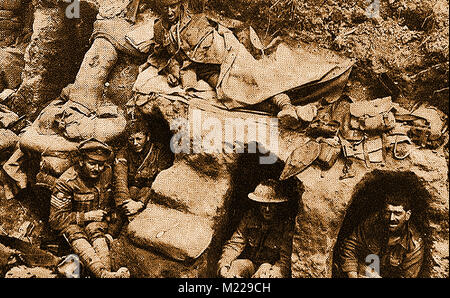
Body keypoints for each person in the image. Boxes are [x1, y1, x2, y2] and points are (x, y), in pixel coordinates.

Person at [148, 0, 301, 127]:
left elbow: (231, 25)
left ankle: (285, 105)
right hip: (203, 68)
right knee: (228, 93)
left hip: (225, 53)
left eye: (172, 6)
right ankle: (281, 111)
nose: (169, 11)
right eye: (164, 7)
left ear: (181, 4)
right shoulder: (159, 28)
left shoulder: (196, 14)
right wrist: (170, 71)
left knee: (252, 76)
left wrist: (246, 48)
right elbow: (160, 56)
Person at [49, 139, 130, 278]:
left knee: (95, 229)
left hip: (99, 228)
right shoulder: (67, 182)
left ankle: (107, 273)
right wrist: (86, 216)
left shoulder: (107, 173)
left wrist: (110, 232)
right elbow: (55, 220)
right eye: (92, 164)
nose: (97, 169)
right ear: (81, 161)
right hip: (73, 229)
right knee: (75, 232)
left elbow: (117, 204)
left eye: (100, 164)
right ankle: (103, 274)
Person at [217, 179, 294, 278]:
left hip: (268, 269)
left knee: (264, 269)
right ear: (258, 204)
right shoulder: (249, 217)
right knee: (237, 266)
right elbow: (234, 244)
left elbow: (285, 260)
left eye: (272, 205)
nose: (267, 209)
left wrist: (274, 274)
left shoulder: (285, 225)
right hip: (250, 264)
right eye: (263, 204)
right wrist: (224, 266)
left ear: (278, 205)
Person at [338, 192, 424, 278]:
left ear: (407, 215)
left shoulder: (414, 244)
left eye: (397, 213)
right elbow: (349, 248)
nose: (391, 218)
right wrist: (353, 275)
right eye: (388, 212)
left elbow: (407, 276)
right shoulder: (371, 224)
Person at [113, 119, 172, 222]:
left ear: (147, 137)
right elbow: (120, 178)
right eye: (131, 140)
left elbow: (161, 180)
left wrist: (140, 203)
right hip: (130, 194)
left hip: (150, 194)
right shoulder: (124, 153)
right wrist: (126, 202)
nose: (135, 143)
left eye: (139, 139)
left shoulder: (159, 152)